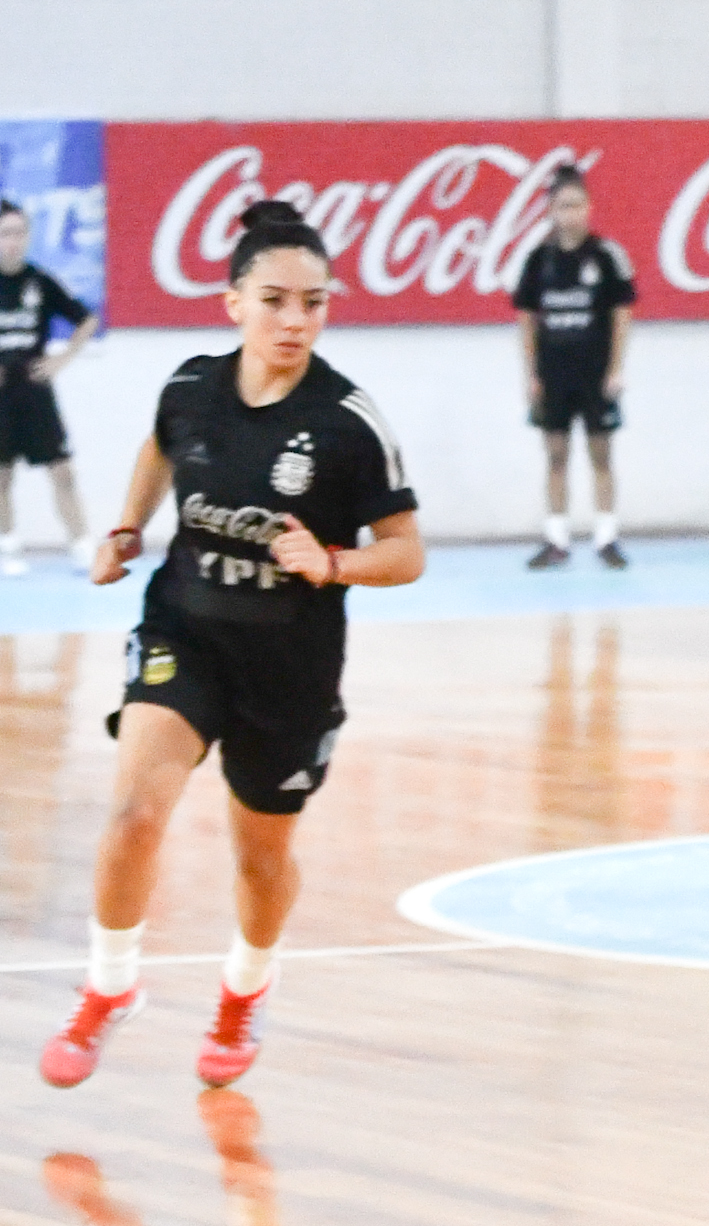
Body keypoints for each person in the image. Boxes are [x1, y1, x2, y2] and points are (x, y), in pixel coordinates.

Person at [37, 202, 424, 1091]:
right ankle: (108, 991)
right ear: (233, 303)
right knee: (135, 812)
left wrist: (331, 561)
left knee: (261, 857)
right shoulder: (190, 388)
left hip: (290, 663)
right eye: (276, 299)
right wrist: (127, 527)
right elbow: (157, 447)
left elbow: (406, 553)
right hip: (183, 631)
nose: (295, 320)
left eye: (315, 303)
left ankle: (244, 992)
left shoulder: (349, 422)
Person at [512, 165, 636, 570]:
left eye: (579, 205)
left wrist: (617, 368)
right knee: (556, 455)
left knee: (601, 453)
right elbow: (526, 319)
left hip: (596, 374)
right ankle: (556, 539)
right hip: (554, 375)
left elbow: (622, 314)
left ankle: (606, 537)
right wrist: (531, 373)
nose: (572, 213)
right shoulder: (538, 261)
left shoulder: (606, 257)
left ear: (589, 207)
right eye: (564, 206)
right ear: (551, 209)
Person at [0, 199, 100, 577]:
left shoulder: (39, 282)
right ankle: (7, 547)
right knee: (2, 475)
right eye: (6, 233)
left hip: (35, 390)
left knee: (62, 471)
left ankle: (81, 545)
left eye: (19, 232)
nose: (13, 241)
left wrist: (62, 359)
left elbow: (87, 319)